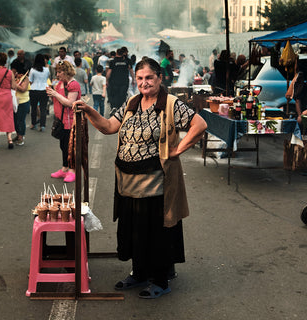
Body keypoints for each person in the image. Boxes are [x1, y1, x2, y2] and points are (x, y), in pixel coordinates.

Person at [73, 57, 207, 299]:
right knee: (133, 229)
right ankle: (139, 273)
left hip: (155, 183)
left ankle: (160, 279)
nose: (144, 83)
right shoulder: (131, 102)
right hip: (127, 181)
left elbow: (199, 124)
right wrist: (89, 110)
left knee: (155, 231)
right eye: (140, 78)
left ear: (159, 78)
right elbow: (108, 127)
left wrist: (177, 150)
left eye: (149, 78)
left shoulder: (171, 104)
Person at [46, 60, 81, 183]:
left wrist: (55, 93)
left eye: (60, 71)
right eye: (57, 71)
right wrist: (52, 93)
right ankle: (65, 168)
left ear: (66, 72)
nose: (58, 74)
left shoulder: (73, 84)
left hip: (71, 120)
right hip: (61, 120)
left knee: (70, 147)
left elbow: (70, 102)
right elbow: (57, 99)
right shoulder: (60, 83)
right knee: (63, 146)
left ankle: (72, 170)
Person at [107, 48, 135, 116]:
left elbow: (109, 72)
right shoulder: (127, 61)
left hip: (114, 82)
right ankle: (120, 110)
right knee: (122, 96)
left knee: (114, 95)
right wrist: (133, 79)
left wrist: (107, 80)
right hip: (124, 82)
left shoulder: (112, 61)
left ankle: (114, 107)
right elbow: (131, 71)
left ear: (116, 53)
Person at [29, 54, 50, 132]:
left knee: (34, 108)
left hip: (34, 90)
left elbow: (30, 81)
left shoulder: (32, 70)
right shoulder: (47, 69)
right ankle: (42, 125)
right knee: (43, 108)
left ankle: (33, 124)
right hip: (44, 90)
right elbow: (47, 78)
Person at [12, 68, 31, 146]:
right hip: (14, 102)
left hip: (23, 102)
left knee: (21, 120)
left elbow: (23, 89)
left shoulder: (25, 79)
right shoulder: (15, 79)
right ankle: (18, 134)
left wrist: (15, 84)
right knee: (15, 120)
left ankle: (21, 138)